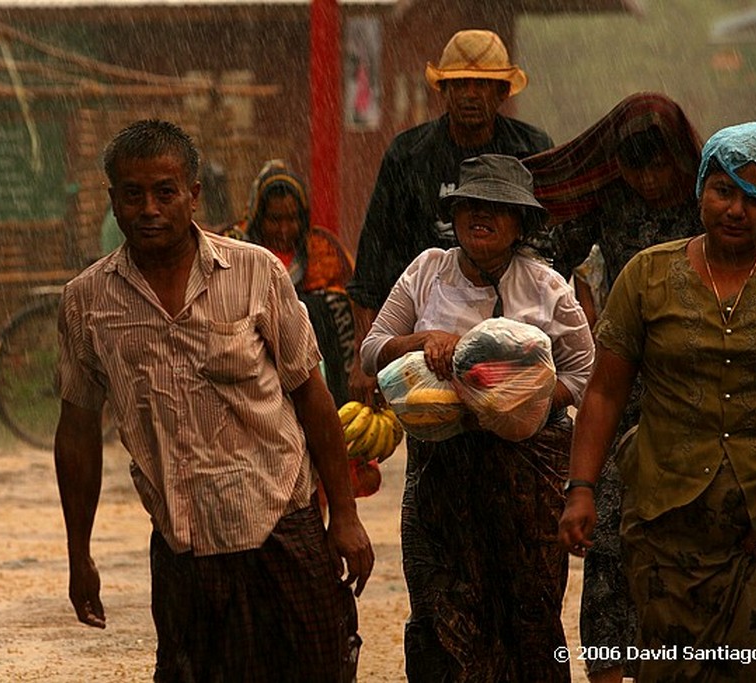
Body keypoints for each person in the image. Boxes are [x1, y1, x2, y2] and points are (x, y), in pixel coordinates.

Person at [53, 119, 374, 682]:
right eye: (133, 194)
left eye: (165, 192)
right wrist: (79, 555)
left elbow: (312, 396)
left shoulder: (255, 273)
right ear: (113, 202)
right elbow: (77, 431)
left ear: (194, 195)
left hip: (283, 529)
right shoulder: (87, 302)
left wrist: (344, 514)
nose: (149, 208)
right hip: (184, 549)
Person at [559, 121, 756, 682]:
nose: (736, 209)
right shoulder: (648, 274)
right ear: (701, 192)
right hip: (665, 525)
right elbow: (606, 392)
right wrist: (581, 489)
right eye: (724, 190)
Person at [361, 154, 594, 681]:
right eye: (471, 204)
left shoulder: (547, 287)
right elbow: (371, 352)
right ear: (455, 213)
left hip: (526, 479)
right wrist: (423, 341)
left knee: (529, 615)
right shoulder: (427, 271)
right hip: (441, 477)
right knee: (442, 613)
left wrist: (523, 404)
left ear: (520, 225)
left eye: (497, 207)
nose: (480, 215)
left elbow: (584, 374)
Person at [523, 91, 703, 682]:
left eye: (659, 167)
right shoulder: (610, 199)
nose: (649, 181)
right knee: (607, 540)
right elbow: (546, 257)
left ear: (680, 160)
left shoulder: (712, 200)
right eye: (636, 168)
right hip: (623, 381)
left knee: (687, 539)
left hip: (698, 385)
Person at [347, 28, 554, 403]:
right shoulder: (409, 155)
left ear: (503, 92)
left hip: (513, 330)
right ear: (444, 91)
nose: (470, 94)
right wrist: (364, 355)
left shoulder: (531, 150)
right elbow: (374, 259)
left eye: (481, 84)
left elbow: (554, 247)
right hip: (427, 340)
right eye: (459, 84)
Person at [225, 160, 356, 407]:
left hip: (315, 369)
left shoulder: (323, 249)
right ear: (257, 217)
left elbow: (344, 305)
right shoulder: (236, 249)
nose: (284, 229)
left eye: (292, 219)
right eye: (274, 220)